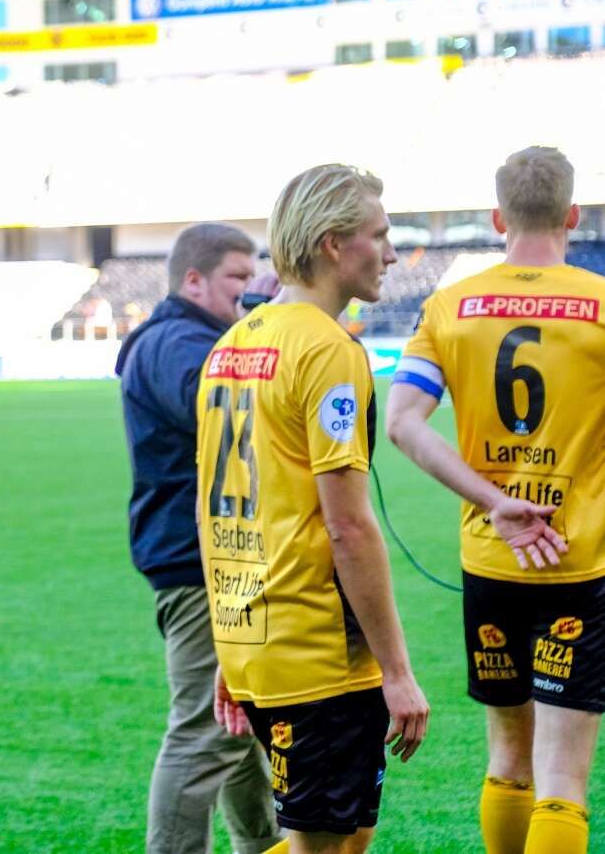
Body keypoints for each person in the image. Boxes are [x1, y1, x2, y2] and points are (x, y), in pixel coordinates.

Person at [199, 164, 429, 854]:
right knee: (325, 843)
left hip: (257, 637)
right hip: (315, 653)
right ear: (333, 244)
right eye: (378, 236)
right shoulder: (328, 351)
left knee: (347, 832)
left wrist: (232, 636)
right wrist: (397, 671)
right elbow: (348, 525)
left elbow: (216, 510)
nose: (390, 254)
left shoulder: (231, 345)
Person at [387, 146, 592, 854]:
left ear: (497, 218)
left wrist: (493, 500)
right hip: (579, 556)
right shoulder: (600, 305)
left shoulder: (449, 305)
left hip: (492, 554)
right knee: (562, 778)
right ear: (572, 215)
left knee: (507, 758)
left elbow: (403, 423)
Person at [116, 223, 280, 854]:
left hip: (205, 556)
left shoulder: (187, 338)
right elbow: (223, 406)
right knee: (205, 735)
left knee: (234, 725)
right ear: (192, 280)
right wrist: (267, 322)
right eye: (238, 277)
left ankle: (263, 845)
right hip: (201, 564)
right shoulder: (176, 342)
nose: (249, 288)